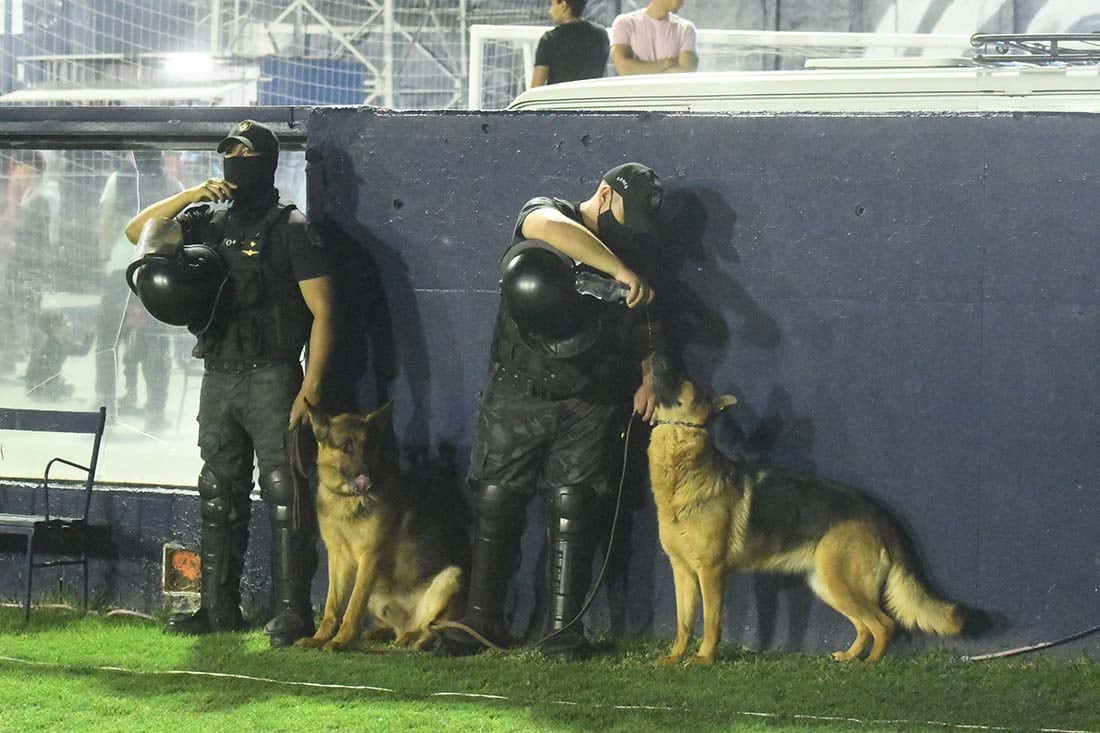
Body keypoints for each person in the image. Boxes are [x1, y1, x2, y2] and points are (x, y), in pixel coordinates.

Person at [439, 162, 664, 661]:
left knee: (575, 506)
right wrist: (618, 269)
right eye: (626, 220)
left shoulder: (638, 248)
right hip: (519, 387)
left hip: (588, 396)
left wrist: (651, 374)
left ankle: (563, 632)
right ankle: (481, 618)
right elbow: (545, 228)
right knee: (496, 499)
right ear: (604, 195)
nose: (629, 235)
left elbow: (646, 317)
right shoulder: (550, 212)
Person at [124, 120, 335, 647]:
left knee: (286, 493)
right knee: (218, 490)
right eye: (228, 154)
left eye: (244, 153)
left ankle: (292, 614)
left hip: (273, 375)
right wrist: (194, 193)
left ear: (265, 161)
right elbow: (139, 234)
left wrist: (311, 386)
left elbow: (326, 312)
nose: (234, 163)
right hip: (218, 373)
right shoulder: (207, 220)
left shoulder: (292, 228)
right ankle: (218, 609)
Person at [96, 151, 183, 430]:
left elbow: (105, 221)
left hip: (120, 268)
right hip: (155, 273)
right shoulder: (174, 187)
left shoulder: (117, 180)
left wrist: (105, 258)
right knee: (154, 343)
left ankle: (106, 407)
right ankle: (155, 409)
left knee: (108, 340)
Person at [531, 0, 610, 88]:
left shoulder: (550, 39)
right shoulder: (601, 34)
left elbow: (536, 86)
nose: (550, 11)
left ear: (563, 6)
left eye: (552, 5)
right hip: (593, 99)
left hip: (561, 99)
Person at [610, 0, 698, 76]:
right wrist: (667, 63)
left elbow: (686, 74)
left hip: (671, 94)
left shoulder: (686, 28)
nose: (683, 1)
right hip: (635, 94)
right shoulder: (625, 23)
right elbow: (624, 69)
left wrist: (640, 69)